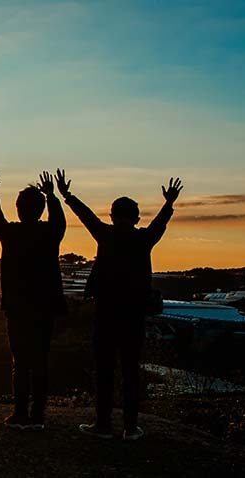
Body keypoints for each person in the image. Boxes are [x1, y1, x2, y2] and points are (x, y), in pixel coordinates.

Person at [58, 171, 183, 441]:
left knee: (104, 370)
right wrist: (169, 203)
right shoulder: (144, 239)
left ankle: (103, 424)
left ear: (112, 216)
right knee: (130, 371)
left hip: (106, 313)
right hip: (134, 315)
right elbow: (160, 223)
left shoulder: (105, 234)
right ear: (137, 218)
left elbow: (86, 216)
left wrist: (67, 195)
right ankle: (130, 426)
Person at [0, 170, 67, 431]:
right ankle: (38, 415)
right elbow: (60, 221)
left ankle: (20, 413)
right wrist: (52, 196)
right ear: (41, 210)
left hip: (17, 307)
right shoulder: (50, 233)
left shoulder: (11, 233)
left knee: (20, 362)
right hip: (45, 306)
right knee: (40, 360)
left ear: (19, 209)